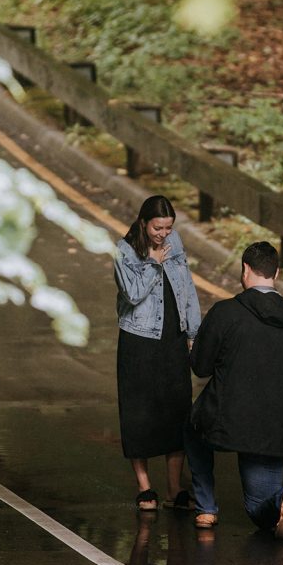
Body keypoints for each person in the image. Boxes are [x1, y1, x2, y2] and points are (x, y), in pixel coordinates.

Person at [184, 241, 283, 537]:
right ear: (276, 273)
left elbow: (201, 367)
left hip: (224, 418)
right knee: (259, 508)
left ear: (245, 270)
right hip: (273, 425)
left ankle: (206, 508)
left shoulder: (225, 313)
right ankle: (282, 497)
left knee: (192, 429)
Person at [115, 195, 202, 512]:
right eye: (157, 228)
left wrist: (194, 332)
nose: (163, 234)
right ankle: (144, 487)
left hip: (173, 337)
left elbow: (187, 287)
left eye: (168, 228)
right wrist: (153, 261)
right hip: (138, 340)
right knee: (138, 413)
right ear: (143, 223)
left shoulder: (175, 242)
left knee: (177, 412)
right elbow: (134, 294)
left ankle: (175, 488)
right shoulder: (124, 251)